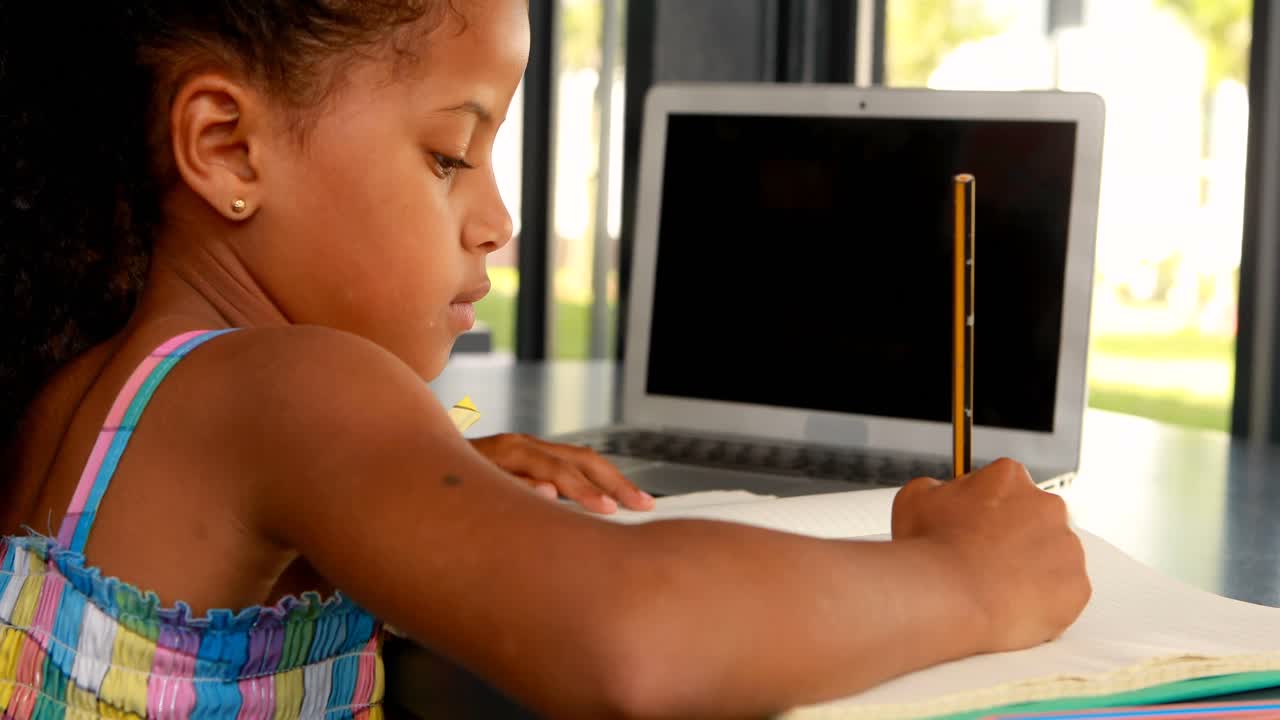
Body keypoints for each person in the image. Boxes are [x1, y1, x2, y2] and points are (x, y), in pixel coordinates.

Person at [0, 2, 1091, 717]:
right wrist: (969, 581)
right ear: (226, 147)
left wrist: (441, 473)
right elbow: (633, 640)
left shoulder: (82, 391)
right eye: (447, 156)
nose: (497, 221)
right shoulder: (294, 384)